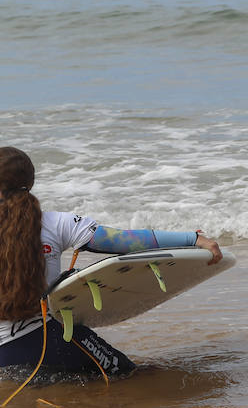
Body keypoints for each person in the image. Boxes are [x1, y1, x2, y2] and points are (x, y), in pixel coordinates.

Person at [0, 146, 223, 379]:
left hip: (4, 353)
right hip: (48, 340)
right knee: (133, 377)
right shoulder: (57, 223)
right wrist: (193, 239)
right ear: (30, 182)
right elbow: (127, 241)